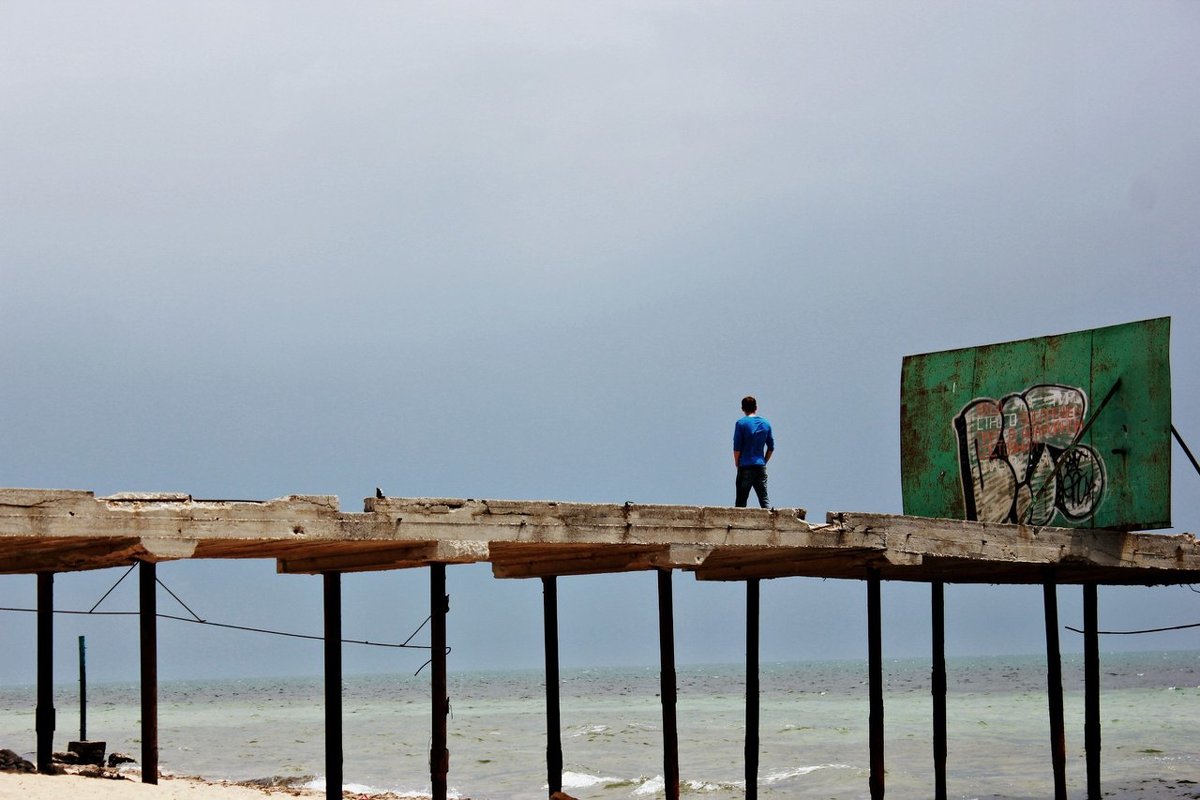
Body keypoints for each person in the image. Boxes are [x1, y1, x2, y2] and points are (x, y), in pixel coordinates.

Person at [733, 395, 774, 508]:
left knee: (741, 499)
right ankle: (770, 522)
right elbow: (771, 447)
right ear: (756, 407)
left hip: (745, 465)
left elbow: (737, 447)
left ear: (742, 409)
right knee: (764, 498)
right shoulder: (765, 423)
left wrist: (737, 462)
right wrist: (764, 461)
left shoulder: (741, 423)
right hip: (760, 465)